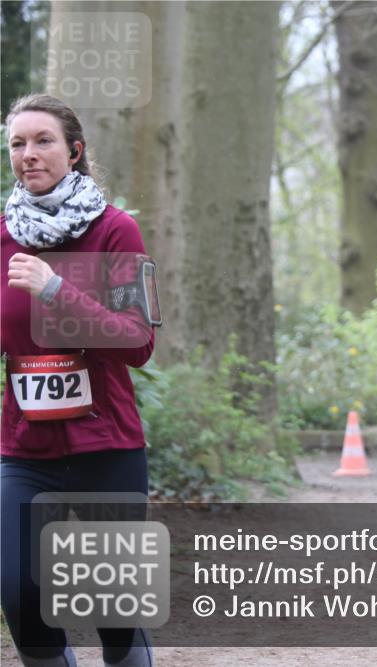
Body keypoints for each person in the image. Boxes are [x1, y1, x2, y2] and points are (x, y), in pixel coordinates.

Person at [1, 94, 157, 667]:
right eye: (17, 143)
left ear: (75, 150)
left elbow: (138, 341)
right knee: (19, 590)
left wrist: (54, 292)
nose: (29, 154)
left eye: (42, 141)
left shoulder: (116, 231)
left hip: (107, 446)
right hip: (24, 449)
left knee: (113, 610)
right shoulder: (2, 236)